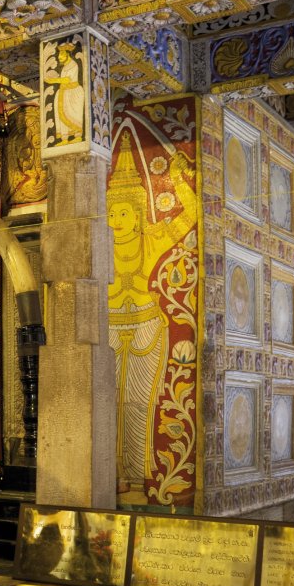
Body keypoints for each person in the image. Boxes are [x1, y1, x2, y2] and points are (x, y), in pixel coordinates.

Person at [107, 134, 198, 497]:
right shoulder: (99, 242)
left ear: (138, 213)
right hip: (109, 328)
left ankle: (139, 477)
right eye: (111, 214)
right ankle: (110, 476)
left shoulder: (152, 237)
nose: (116, 220)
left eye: (123, 213)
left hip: (146, 327)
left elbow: (190, 215)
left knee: (141, 404)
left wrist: (177, 179)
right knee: (108, 403)